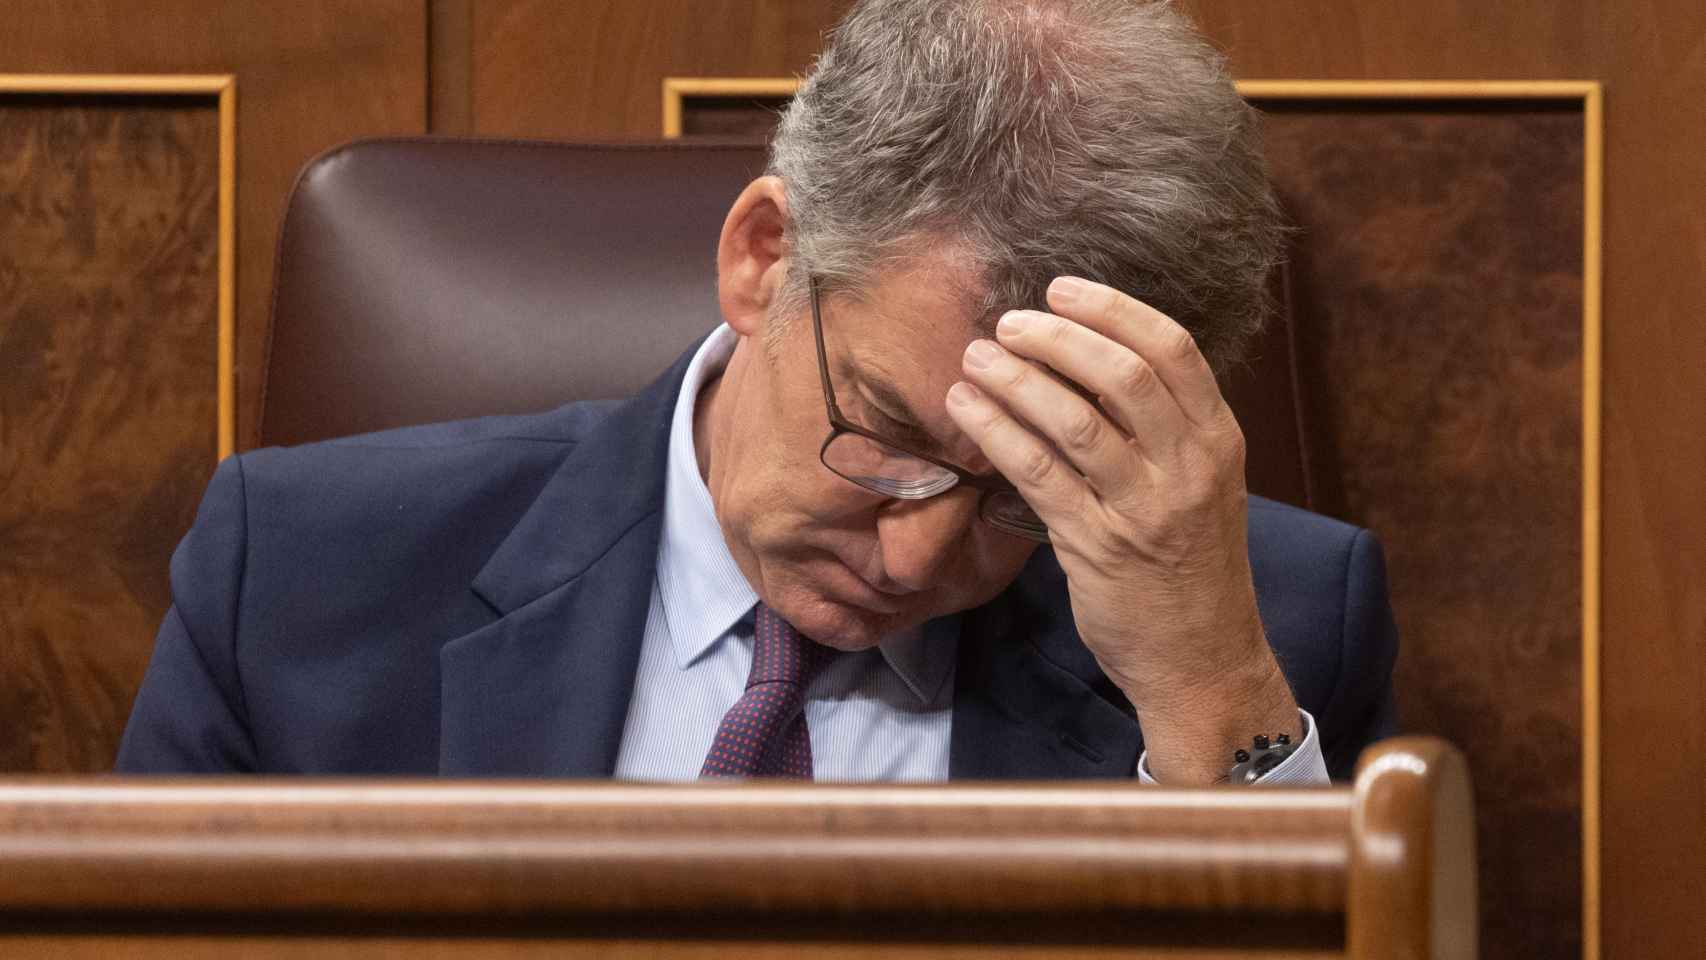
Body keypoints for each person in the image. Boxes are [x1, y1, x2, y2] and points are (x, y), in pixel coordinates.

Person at [117, 0, 1397, 784]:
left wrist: (1205, 690)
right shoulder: (299, 575)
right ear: (764, 257)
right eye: (887, 434)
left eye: (1024, 492)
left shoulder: (1273, 637)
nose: (916, 555)